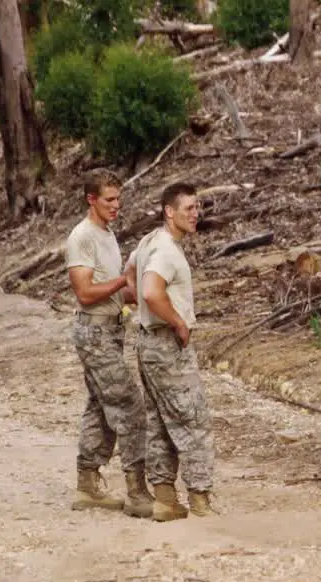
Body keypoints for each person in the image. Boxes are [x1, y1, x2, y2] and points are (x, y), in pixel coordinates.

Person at [125, 183, 218, 521]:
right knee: (193, 420)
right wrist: (176, 321)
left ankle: (165, 498)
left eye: (197, 207)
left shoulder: (149, 242)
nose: (196, 214)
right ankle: (200, 499)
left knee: (160, 422)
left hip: (147, 342)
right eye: (189, 208)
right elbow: (151, 291)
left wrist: (144, 310)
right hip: (165, 343)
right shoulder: (164, 249)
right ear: (169, 211)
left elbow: (130, 275)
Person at [64, 169, 152, 516]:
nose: (117, 205)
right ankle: (137, 490)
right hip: (95, 332)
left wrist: (146, 294)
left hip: (113, 329)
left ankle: (87, 483)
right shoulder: (81, 237)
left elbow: (116, 288)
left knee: (101, 406)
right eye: (109, 200)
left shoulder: (106, 233)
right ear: (91, 200)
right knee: (129, 404)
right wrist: (122, 282)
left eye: (118, 198)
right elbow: (85, 293)